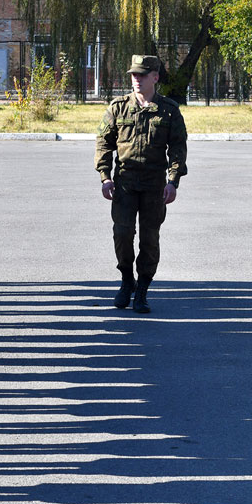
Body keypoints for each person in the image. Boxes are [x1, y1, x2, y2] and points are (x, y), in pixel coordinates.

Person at [95, 54, 187, 313]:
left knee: (149, 239)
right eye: (134, 75)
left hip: (154, 186)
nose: (137, 79)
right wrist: (105, 176)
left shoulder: (169, 109)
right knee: (122, 234)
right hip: (124, 184)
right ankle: (127, 280)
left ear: (155, 77)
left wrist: (173, 182)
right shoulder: (118, 107)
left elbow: (178, 148)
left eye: (142, 75)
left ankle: (143, 289)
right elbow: (104, 142)